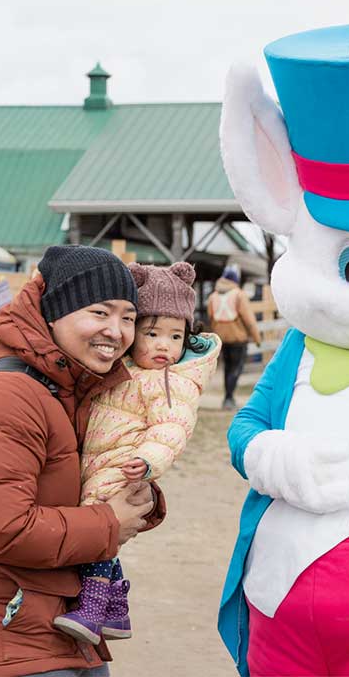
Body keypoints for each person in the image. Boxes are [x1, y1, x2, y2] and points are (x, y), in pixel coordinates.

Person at [0, 245, 165, 677]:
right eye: (99, 312)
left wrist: (137, 489)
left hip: (57, 630)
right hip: (10, 640)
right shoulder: (9, 394)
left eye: (128, 318)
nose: (117, 332)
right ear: (54, 313)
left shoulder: (69, 390)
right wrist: (110, 522)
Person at [53, 262, 221, 646]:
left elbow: (173, 428)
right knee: (98, 523)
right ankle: (118, 608)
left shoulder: (171, 381)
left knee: (100, 522)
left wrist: (148, 460)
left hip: (125, 464)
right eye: (153, 333)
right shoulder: (121, 367)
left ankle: (93, 606)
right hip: (99, 458)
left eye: (176, 336)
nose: (165, 346)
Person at [207, 265, 261, 410]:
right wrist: (257, 338)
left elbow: (211, 317)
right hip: (238, 338)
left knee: (227, 368)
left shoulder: (213, 296)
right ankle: (229, 398)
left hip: (222, 338)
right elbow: (249, 319)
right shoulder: (239, 295)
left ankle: (227, 397)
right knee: (236, 368)